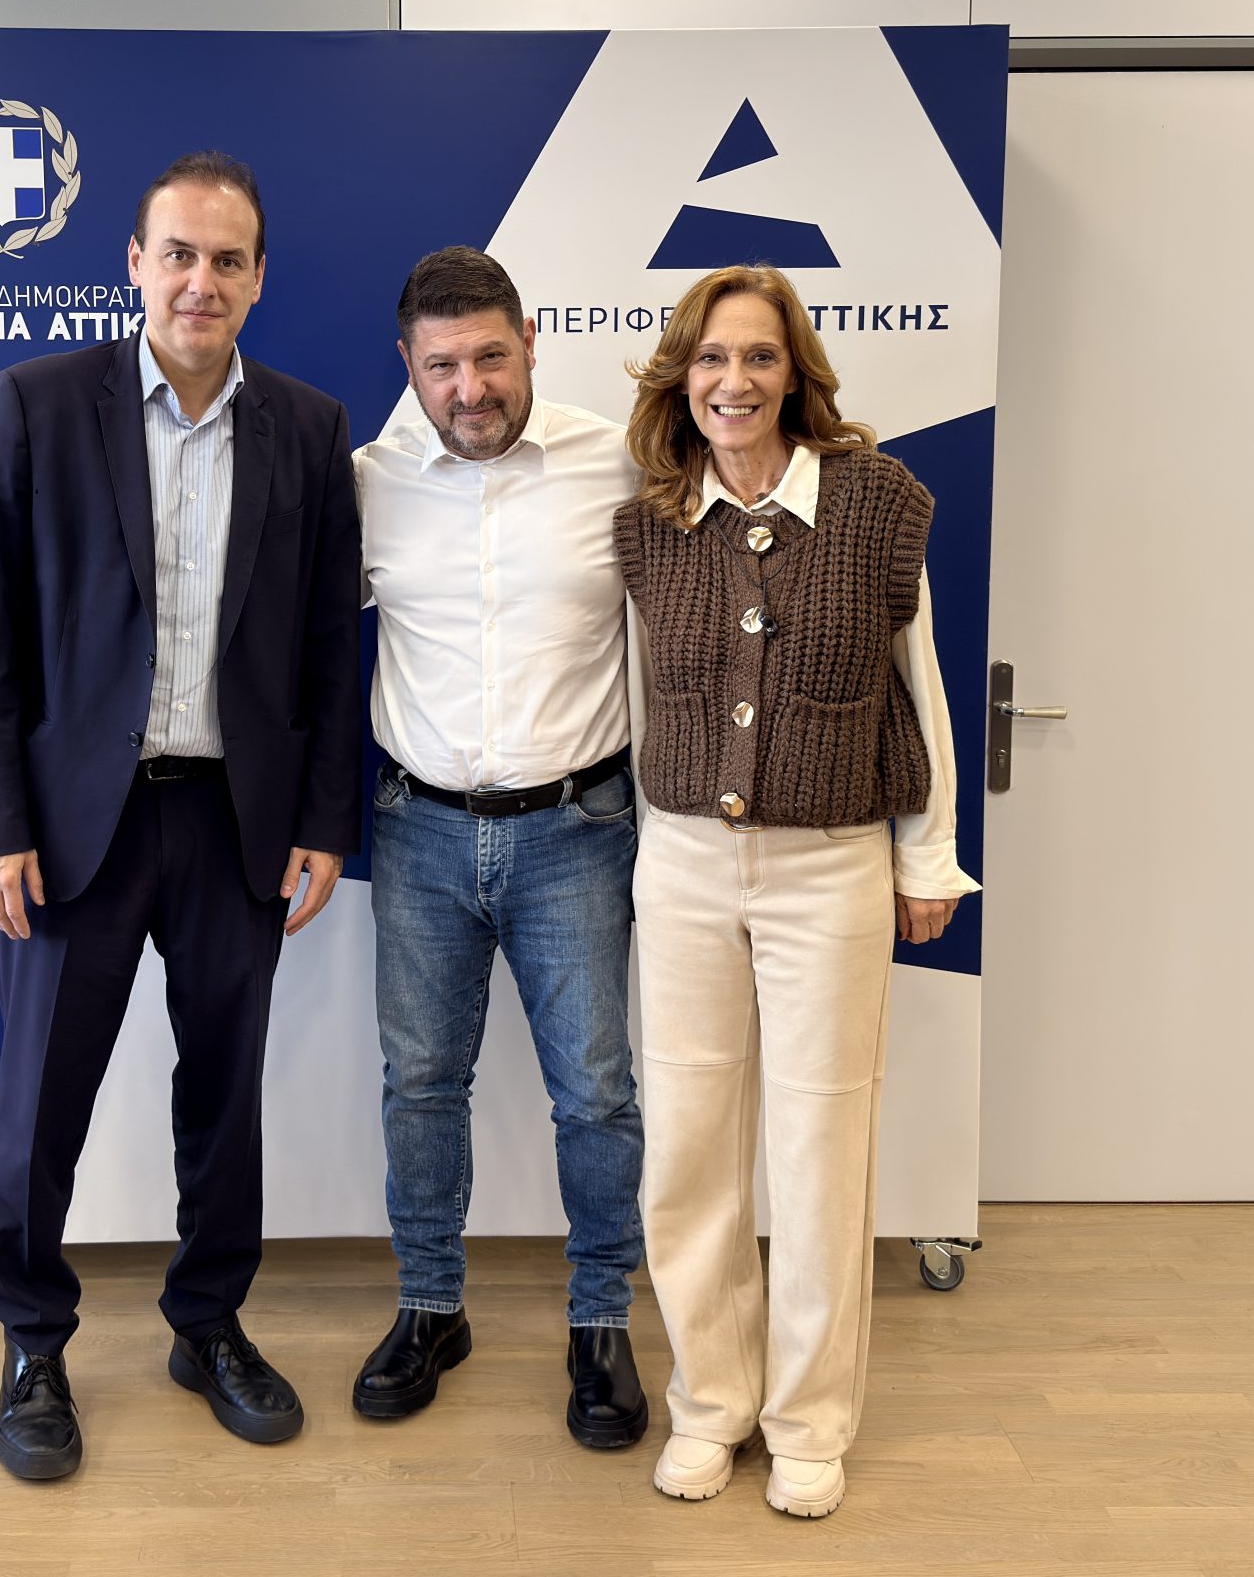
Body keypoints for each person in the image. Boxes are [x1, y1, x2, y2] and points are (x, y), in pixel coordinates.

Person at [0, 151, 361, 1482]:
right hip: (78, 827)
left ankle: (208, 1323)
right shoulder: (37, 405)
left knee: (224, 1099)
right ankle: (32, 1342)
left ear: (259, 278)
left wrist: (323, 820)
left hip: (236, 826)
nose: (200, 281)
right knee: (39, 1107)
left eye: (227, 259)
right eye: (177, 254)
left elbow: (325, 649)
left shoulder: (308, 428)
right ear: (133, 264)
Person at [612, 264, 978, 1520]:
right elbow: (639, 702)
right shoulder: (652, 521)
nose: (734, 381)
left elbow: (921, 689)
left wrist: (925, 855)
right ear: (683, 377)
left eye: (758, 356)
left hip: (830, 865)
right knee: (688, 1148)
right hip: (682, 864)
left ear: (794, 372)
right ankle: (710, 1403)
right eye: (712, 358)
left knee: (821, 1149)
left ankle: (810, 1419)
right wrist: (643, 857)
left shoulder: (875, 505)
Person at [349, 246, 650, 1447]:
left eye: (487, 357)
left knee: (597, 1093)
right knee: (420, 1084)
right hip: (416, 829)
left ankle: (600, 1323)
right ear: (408, 366)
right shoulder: (366, 484)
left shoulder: (619, 464)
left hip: (578, 830)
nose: (468, 388)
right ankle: (431, 1308)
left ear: (529, 342)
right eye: (440, 366)